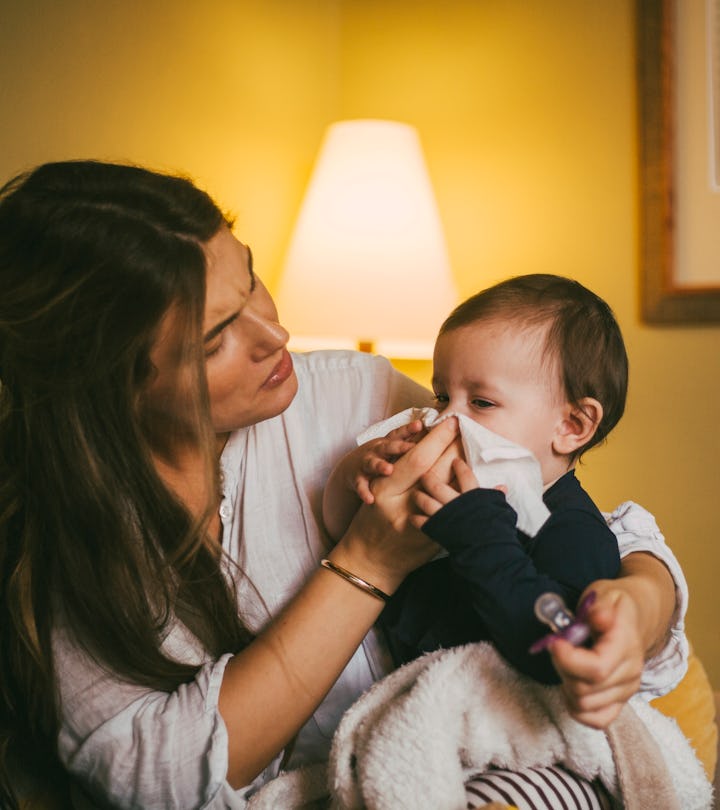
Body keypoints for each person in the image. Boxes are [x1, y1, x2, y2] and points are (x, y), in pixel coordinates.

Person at [0, 160, 684, 810]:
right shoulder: (70, 544)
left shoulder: (351, 393)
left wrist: (640, 600)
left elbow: (561, 506)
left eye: (253, 281)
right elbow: (155, 783)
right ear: (110, 386)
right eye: (215, 339)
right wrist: (368, 561)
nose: (276, 333)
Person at [324, 275, 629, 685]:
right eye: (442, 397)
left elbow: (558, 645)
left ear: (572, 425)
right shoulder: (445, 490)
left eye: (482, 402)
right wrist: (358, 473)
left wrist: (480, 533)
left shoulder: (574, 530)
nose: (447, 420)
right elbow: (341, 530)